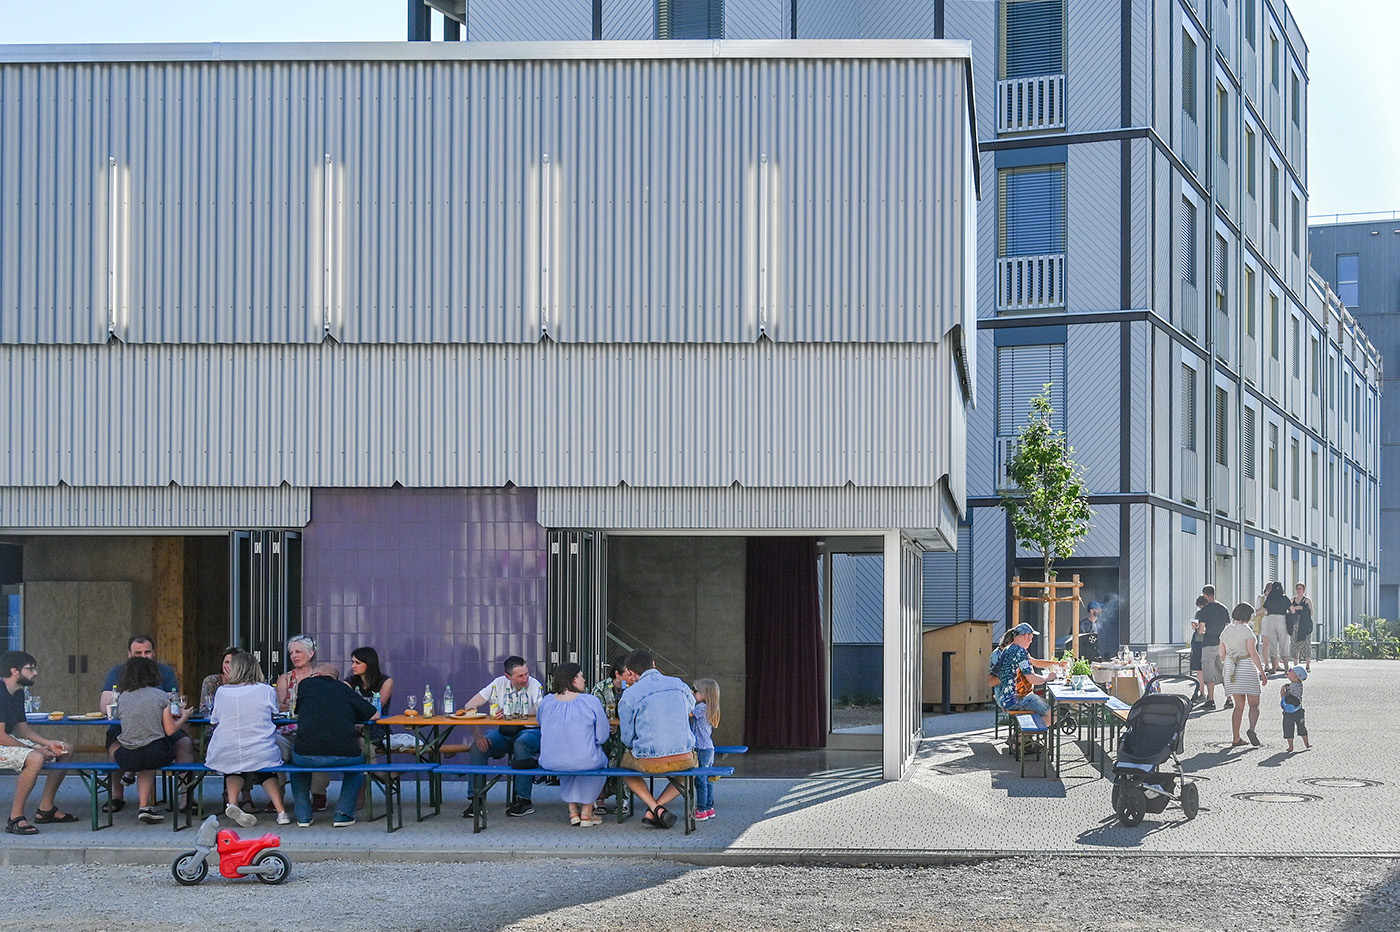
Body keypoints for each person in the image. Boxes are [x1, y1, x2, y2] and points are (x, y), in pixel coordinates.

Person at [98, 635, 185, 813]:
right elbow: (105, 706)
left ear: (154, 653)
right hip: (125, 728)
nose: (143, 657)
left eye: (147, 652)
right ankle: (117, 795)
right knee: (117, 747)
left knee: (185, 744)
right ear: (129, 654)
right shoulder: (116, 672)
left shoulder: (165, 671)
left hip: (160, 727)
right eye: (138, 653)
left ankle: (185, 797)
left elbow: (174, 702)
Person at [205, 652, 290, 826]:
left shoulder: (222, 692)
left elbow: (214, 719)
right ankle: (281, 811)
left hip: (225, 750)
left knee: (234, 769)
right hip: (260, 750)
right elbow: (275, 712)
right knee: (266, 770)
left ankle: (233, 802)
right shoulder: (266, 690)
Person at [289, 663, 377, 827]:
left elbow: (297, 712)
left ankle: (303, 815)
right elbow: (375, 713)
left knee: (296, 766)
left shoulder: (305, 685)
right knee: (358, 766)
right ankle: (343, 813)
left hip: (306, 756)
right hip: (345, 755)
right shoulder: (344, 689)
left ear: (318, 674)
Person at [616, 649, 695, 830]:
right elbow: (690, 706)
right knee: (689, 772)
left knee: (623, 769)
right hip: (683, 756)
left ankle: (654, 808)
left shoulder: (630, 695)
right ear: (653, 664)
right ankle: (657, 808)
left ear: (631, 673)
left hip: (648, 760)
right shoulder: (679, 684)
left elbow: (626, 737)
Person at [110, 656, 194, 823]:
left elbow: (119, 718)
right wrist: (184, 716)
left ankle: (140, 797)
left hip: (127, 756)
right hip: (154, 754)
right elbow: (170, 730)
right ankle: (143, 806)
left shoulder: (123, 697)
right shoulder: (161, 696)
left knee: (139, 754)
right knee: (149, 756)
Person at [460, 656, 544, 819]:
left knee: (522, 743)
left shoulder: (534, 685)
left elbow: (543, 710)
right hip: (505, 732)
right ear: (508, 677)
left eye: (527, 673)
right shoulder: (498, 683)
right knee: (478, 747)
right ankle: (477, 799)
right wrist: (477, 736)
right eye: (520, 676)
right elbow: (469, 705)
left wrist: (513, 712)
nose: (525, 678)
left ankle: (524, 800)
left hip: (530, 731)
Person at [1, 651, 74, 835]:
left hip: (5, 740)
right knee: (34, 758)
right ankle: (15, 818)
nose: (35, 673)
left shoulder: (17, 694)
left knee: (64, 749)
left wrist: (49, 743)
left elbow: (24, 730)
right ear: (14, 671)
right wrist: (35, 749)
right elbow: (0, 736)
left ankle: (46, 808)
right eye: (30, 668)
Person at [537, 662, 610, 827]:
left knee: (566, 759)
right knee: (598, 761)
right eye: (581, 676)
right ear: (573, 679)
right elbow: (602, 736)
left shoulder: (546, 702)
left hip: (551, 761)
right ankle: (586, 811)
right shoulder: (590, 701)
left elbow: (542, 724)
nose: (584, 679)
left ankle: (573, 812)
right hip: (584, 761)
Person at [274, 635, 330, 811]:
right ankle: (277, 794)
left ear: (311, 653)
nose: (294, 656)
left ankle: (319, 793)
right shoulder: (285, 678)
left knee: (320, 743)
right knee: (273, 746)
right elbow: (280, 705)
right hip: (287, 731)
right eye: (291, 652)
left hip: (313, 730)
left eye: (298, 651)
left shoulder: (322, 676)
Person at [1221, 602, 1267, 748]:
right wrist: (1262, 672)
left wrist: (1228, 662)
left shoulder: (1226, 631)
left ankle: (1236, 738)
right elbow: (1253, 653)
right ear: (1247, 616)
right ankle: (1251, 729)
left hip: (1231, 667)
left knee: (1238, 706)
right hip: (1246, 666)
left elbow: (1221, 653)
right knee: (1254, 704)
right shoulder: (1248, 631)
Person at [988, 623, 1054, 719]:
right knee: (1053, 713)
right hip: (1018, 699)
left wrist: (1055, 663)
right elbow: (1032, 679)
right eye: (1031, 638)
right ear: (1026, 636)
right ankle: (1026, 732)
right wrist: (1049, 677)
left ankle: (1027, 730)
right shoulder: (1020, 652)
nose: (1031, 641)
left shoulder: (1007, 650)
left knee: (1043, 703)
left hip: (1008, 698)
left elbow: (1033, 662)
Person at [590, 657, 628, 815]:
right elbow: (595, 712)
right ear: (618, 674)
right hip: (604, 734)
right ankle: (599, 797)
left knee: (626, 753)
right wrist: (605, 726)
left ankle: (623, 797)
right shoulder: (600, 688)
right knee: (599, 752)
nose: (632, 677)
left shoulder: (632, 688)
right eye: (628, 674)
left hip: (625, 734)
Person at [344, 646, 394, 746]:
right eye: (352, 662)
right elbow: (346, 706)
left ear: (369, 664)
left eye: (357, 663)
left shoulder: (385, 681)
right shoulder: (349, 681)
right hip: (354, 725)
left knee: (363, 743)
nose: (353, 666)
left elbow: (377, 707)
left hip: (376, 726)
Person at [690, 678, 721, 822]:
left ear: (703, 694)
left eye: (695, 691)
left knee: (700, 780)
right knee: (708, 780)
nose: (693, 693)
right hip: (709, 748)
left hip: (701, 748)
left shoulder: (701, 707)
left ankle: (701, 808)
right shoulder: (710, 707)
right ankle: (709, 806)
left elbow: (688, 714)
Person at [1197, 585, 1230, 711]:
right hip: (1221, 644)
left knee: (1208, 673)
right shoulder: (1223, 608)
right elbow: (1227, 626)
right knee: (1223, 671)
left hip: (1209, 643)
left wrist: (1198, 629)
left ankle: (1211, 700)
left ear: (1205, 595)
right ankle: (1229, 699)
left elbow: (1201, 630)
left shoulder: (1204, 610)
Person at [1258, 581, 1293, 674]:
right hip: (1282, 620)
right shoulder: (1284, 598)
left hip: (1270, 620)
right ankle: (1286, 667)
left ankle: (1273, 668)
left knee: (1272, 644)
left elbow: (1262, 609)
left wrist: (1254, 613)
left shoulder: (1270, 597)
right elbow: (1292, 610)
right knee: (1284, 643)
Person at [198, 647, 243, 715]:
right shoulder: (211, 681)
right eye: (226, 662)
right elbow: (204, 709)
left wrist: (233, 682)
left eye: (233, 663)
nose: (228, 666)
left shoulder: (245, 683)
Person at [1279, 664, 1311, 753]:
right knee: (1301, 727)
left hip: (1289, 712)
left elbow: (1283, 698)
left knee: (1288, 728)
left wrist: (1283, 689)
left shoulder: (1291, 686)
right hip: (1299, 710)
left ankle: (1290, 746)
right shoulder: (1299, 685)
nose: (1288, 672)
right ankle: (1307, 743)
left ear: (1295, 676)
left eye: (1290, 671)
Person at [1287, 582, 1315, 673]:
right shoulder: (1292, 600)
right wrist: (1296, 608)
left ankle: (1308, 665)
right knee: (1294, 644)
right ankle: (1296, 665)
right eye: (1297, 588)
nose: (1299, 590)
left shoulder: (1307, 600)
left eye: (1300, 588)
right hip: (1295, 624)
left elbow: (1311, 611)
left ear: (1304, 590)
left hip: (1305, 624)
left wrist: (1302, 610)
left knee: (1306, 644)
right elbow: (1290, 610)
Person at [1189, 595, 1208, 697]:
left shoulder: (1200, 613)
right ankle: (1228, 697)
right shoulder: (1212, 613)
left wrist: (1196, 627)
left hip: (1198, 642)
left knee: (1199, 669)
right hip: (1209, 642)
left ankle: (1202, 693)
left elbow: (1199, 630)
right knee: (1209, 669)